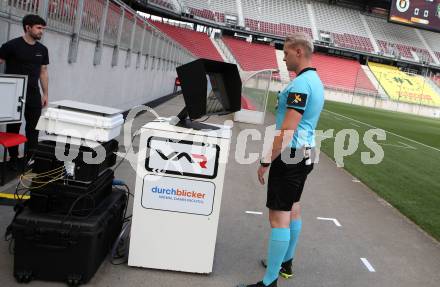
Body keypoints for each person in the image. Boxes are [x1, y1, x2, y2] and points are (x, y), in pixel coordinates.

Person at [237, 32, 324, 287]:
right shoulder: (315, 80)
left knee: (278, 217)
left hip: (291, 156)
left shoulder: (300, 85)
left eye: (286, 53)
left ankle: (269, 281)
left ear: (299, 51)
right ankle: (285, 263)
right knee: (293, 208)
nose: (283, 58)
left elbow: (288, 130)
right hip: (306, 153)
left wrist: (266, 160)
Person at [0, 14, 49, 168]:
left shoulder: (42, 49)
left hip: (33, 93)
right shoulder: (11, 46)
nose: (41, 31)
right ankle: (13, 159)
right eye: (39, 28)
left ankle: (30, 158)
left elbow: (43, 72)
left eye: (43, 28)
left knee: (33, 127)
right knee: (13, 127)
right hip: (14, 94)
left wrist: (45, 93)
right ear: (28, 27)